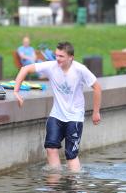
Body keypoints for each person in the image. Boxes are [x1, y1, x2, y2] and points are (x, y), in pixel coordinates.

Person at [13, 42, 102, 172]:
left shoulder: (80, 69)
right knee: (50, 147)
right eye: (56, 55)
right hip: (56, 115)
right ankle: (55, 185)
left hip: (74, 117)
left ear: (71, 57)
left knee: (71, 155)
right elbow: (24, 69)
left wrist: (96, 112)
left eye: (61, 56)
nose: (57, 59)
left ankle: (74, 185)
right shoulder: (51, 66)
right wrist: (16, 91)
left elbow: (97, 88)